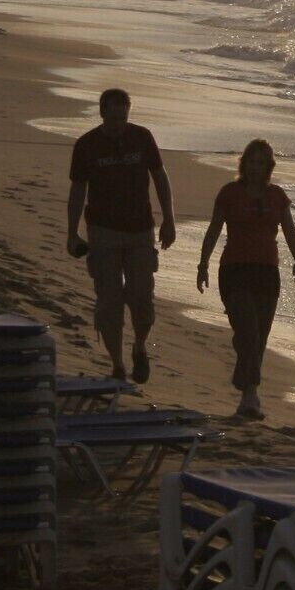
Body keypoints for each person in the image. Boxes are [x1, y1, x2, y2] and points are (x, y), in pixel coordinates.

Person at [65, 88, 175, 383]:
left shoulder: (142, 137)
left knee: (142, 298)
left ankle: (139, 347)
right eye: (113, 117)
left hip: (140, 230)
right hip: (103, 233)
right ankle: (117, 364)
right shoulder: (86, 145)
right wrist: (72, 232)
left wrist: (169, 219)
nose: (118, 124)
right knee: (108, 302)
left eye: (123, 117)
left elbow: (160, 177)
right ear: (102, 113)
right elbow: (78, 190)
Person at [196, 138, 295, 419]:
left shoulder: (277, 196)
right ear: (244, 164)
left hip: (267, 272)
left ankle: (246, 388)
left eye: (262, 164)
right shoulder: (229, 193)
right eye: (252, 162)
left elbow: (290, 231)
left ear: (269, 167)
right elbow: (214, 229)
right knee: (248, 332)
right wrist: (203, 263)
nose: (256, 168)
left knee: (259, 339)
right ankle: (252, 394)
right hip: (235, 270)